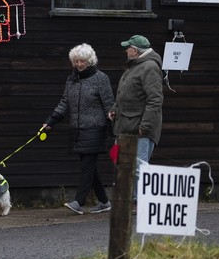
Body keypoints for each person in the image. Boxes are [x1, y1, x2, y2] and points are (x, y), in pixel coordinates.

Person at [43, 43, 115, 215]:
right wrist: (50, 121)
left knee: (87, 165)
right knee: (89, 166)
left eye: (82, 61)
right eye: (76, 61)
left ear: (90, 61)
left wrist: (113, 127)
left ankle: (79, 202)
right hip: (77, 130)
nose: (79, 64)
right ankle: (104, 202)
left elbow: (109, 105)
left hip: (96, 128)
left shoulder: (101, 78)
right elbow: (64, 103)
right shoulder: (72, 79)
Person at [108, 35, 164, 202]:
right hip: (126, 124)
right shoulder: (135, 66)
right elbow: (127, 95)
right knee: (122, 162)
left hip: (140, 128)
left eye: (128, 47)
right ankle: (130, 199)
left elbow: (155, 99)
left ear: (135, 50)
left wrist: (144, 126)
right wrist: (114, 109)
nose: (126, 50)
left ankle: (142, 202)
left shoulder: (149, 67)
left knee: (139, 167)